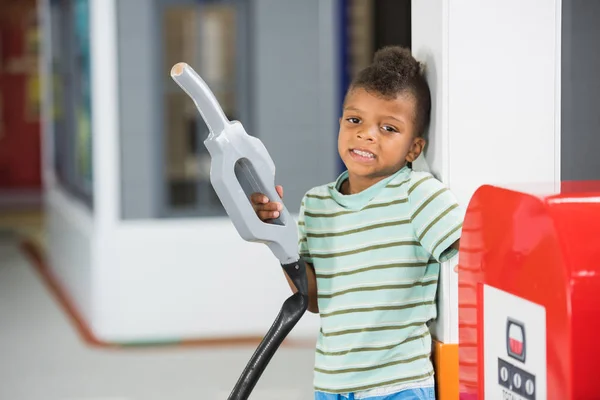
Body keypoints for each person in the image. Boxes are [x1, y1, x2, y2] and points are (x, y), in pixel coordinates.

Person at [251, 46, 464, 400]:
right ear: (340, 123)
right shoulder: (316, 205)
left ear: (414, 149)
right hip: (331, 385)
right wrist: (278, 238)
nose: (367, 135)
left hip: (398, 386)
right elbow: (315, 300)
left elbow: (475, 254)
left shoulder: (418, 195)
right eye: (355, 120)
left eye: (389, 128)